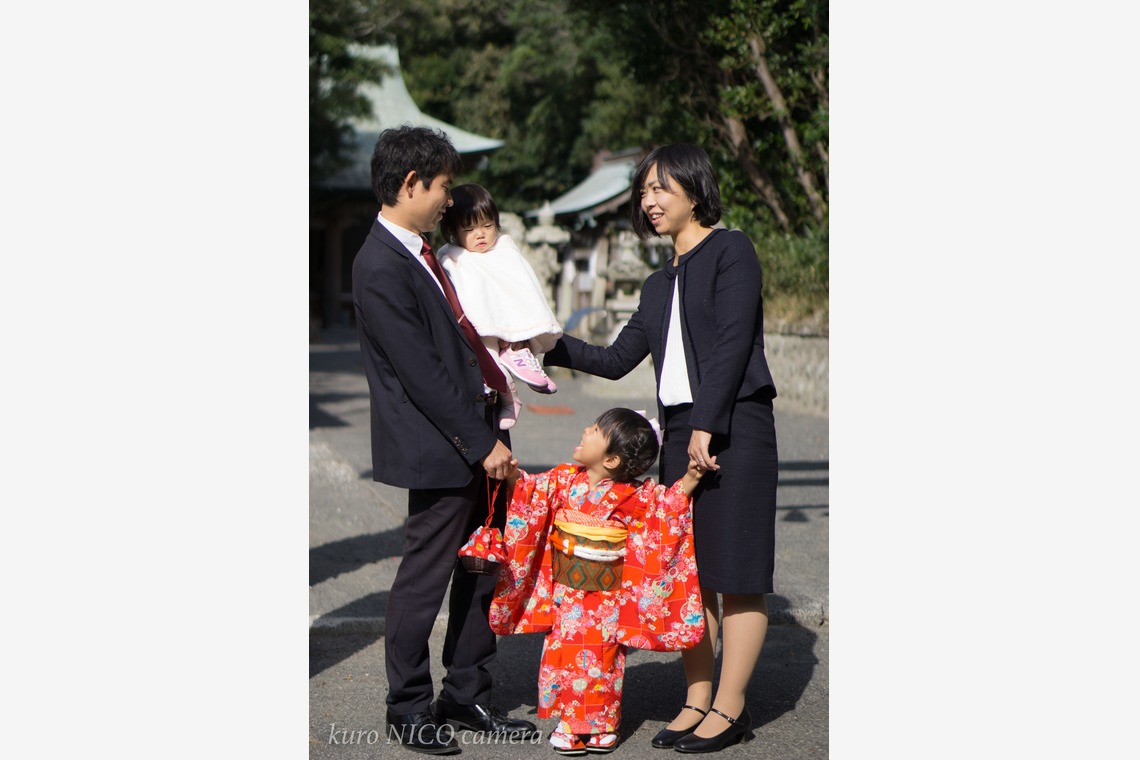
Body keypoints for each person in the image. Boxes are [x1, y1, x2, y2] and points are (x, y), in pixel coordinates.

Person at [542, 143, 779, 753]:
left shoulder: (733, 250)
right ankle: (696, 698)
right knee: (686, 575)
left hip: (736, 428)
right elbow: (616, 360)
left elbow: (731, 343)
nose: (648, 202)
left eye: (660, 189)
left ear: (694, 192)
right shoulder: (655, 284)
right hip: (680, 434)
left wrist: (708, 421)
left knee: (738, 575)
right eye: (643, 192)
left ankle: (731, 707)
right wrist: (547, 343)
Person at [351, 125, 538, 755]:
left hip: (475, 435)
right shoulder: (380, 262)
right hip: (442, 445)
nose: (447, 200)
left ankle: (465, 693)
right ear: (410, 184)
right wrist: (480, 444)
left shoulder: (425, 253)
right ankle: (407, 707)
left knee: (482, 569)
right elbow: (421, 370)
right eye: (441, 186)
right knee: (424, 578)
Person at [486, 408, 707, 755]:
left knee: (604, 657)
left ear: (612, 459)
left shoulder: (633, 495)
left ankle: (602, 725)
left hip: (606, 596)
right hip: (568, 591)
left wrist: (691, 480)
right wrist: (515, 477)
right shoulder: (564, 479)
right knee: (564, 653)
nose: (586, 430)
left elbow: (665, 507)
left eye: (595, 431)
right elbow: (533, 491)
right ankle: (569, 723)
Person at [438, 183, 563, 430]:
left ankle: (522, 353)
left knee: (512, 343)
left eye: (487, 226)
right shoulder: (452, 256)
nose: (481, 234)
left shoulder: (505, 250)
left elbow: (522, 287)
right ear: (453, 231)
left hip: (512, 328)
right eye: (470, 228)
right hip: (481, 329)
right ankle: (510, 396)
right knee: (490, 361)